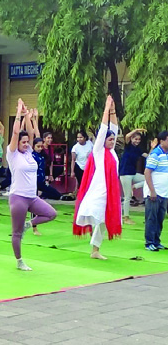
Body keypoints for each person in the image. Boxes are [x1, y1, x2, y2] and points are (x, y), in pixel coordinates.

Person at [6, 99, 57, 271]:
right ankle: (19, 261)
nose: (26, 144)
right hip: (18, 197)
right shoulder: (12, 154)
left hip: (32, 197)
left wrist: (27, 115)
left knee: (51, 214)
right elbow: (15, 133)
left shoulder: (29, 152)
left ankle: (29, 224)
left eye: (27, 142)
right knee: (17, 233)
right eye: (23, 142)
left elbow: (31, 133)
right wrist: (19, 114)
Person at [73, 96, 121, 260]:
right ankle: (95, 249)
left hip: (110, 191)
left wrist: (113, 110)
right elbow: (103, 129)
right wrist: (106, 110)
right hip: (99, 190)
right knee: (99, 217)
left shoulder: (112, 152)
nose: (112, 141)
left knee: (103, 221)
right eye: (110, 139)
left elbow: (114, 127)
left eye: (113, 139)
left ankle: (95, 250)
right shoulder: (98, 152)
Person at [143, 131, 168, 252]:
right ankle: (149, 242)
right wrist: (152, 191)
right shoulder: (155, 154)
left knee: (160, 218)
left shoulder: (166, 154)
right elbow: (147, 172)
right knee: (151, 218)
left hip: (164, 193)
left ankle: (157, 241)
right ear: (162, 141)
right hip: (155, 192)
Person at [120, 128, 148, 224]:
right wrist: (137, 130)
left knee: (148, 179)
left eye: (139, 139)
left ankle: (135, 186)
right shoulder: (128, 146)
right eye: (135, 139)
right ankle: (126, 217)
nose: (137, 141)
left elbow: (146, 155)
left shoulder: (137, 149)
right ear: (132, 139)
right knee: (127, 196)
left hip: (133, 173)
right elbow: (127, 136)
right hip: (125, 174)